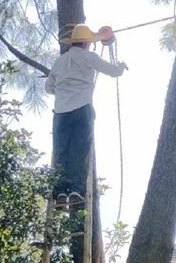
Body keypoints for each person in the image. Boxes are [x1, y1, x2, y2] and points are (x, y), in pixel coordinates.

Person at [45, 24, 128, 206]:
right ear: (86, 44)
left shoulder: (60, 62)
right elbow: (113, 71)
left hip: (61, 112)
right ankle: (76, 190)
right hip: (82, 109)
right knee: (80, 149)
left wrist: (62, 91)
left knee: (62, 150)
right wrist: (121, 66)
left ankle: (59, 193)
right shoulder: (90, 57)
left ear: (73, 43)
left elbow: (48, 87)